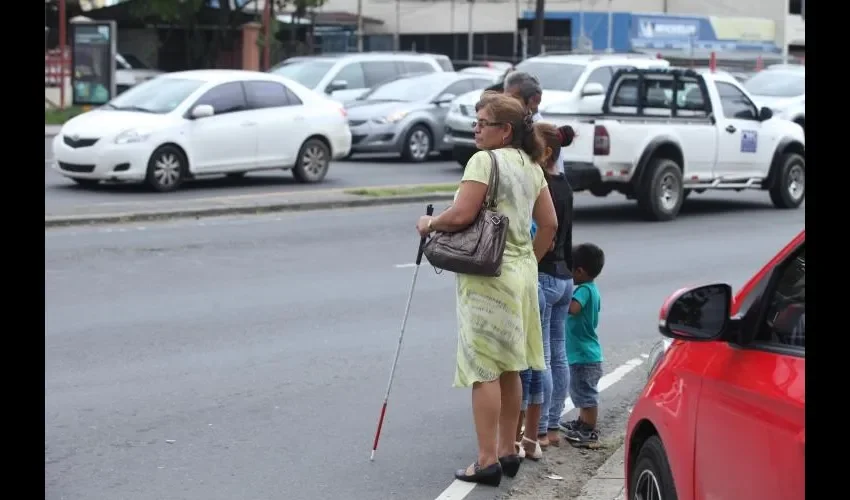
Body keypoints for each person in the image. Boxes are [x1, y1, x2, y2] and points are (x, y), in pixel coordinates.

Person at [415, 91, 558, 487]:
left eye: (483, 122)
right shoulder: (532, 165)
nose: (475, 128)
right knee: (511, 365)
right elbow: (550, 224)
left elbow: (462, 214)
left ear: (505, 130)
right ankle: (508, 450)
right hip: (521, 274)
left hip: (487, 277)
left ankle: (485, 459)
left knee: (483, 369)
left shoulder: (484, 161)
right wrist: (527, 258)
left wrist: (430, 225)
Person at [518, 123, 576, 459]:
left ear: (546, 153)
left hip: (544, 275)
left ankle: (536, 431)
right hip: (565, 277)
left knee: (537, 359)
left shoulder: (543, 187)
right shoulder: (565, 184)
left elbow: (545, 232)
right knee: (557, 354)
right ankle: (553, 427)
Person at [560, 243, 606, 447]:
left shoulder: (585, 291)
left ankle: (589, 430)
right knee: (580, 392)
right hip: (584, 354)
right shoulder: (591, 289)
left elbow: (573, 309)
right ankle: (582, 422)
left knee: (586, 395)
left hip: (585, 356)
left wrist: (562, 295)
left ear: (579, 271)